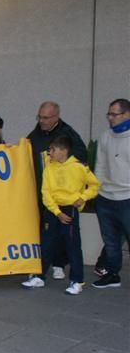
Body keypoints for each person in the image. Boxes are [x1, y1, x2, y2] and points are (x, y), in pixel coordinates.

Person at [22, 135, 99, 295]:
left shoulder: (79, 167)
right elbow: (46, 192)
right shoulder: (49, 167)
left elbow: (94, 186)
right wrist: (56, 212)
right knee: (47, 244)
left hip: (69, 209)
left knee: (72, 246)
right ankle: (39, 276)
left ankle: (77, 280)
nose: (49, 153)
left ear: (63, 151)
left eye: (53, 149)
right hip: (53, 210)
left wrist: (82, 198)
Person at [26, 101, 88, 279]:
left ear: (56, 117)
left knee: (65, 233)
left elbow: (81, 158)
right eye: (40, 117)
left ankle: (60, 264)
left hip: (63, 196)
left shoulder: (67, 133)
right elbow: (26, 148)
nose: (42, 121)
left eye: (46, 118)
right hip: (43, 191)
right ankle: (41, 267)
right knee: (46, 231)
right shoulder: (37, 131)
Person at [92, 98, 130, 289]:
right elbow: (100, 164)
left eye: (114, 114)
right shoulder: (106, 136)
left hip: (127, 198)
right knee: (111, 241)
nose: (110, 118)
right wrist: (97, 189)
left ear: (126, 114)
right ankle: (112, 274)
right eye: (109, 114)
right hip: (106, 197)